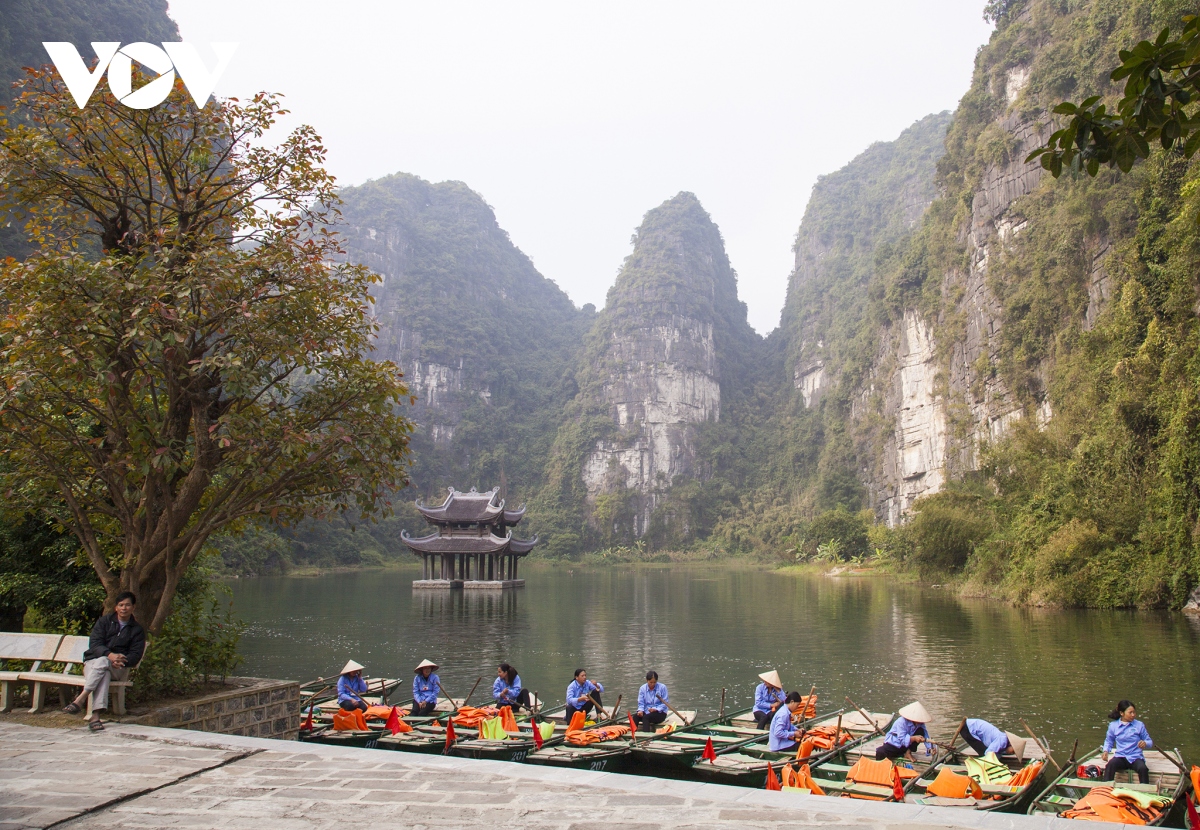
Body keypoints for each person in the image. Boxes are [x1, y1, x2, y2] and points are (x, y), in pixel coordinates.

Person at [61, 591, 146, 731]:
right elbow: (94, 644)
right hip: (93, 664)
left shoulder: (136, 630)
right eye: (121, 605)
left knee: (104, 663)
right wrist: (109, 655)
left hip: (118, 668)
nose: (124, 608)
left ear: (133, 607)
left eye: (127, 605)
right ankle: (95, 716)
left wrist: (119, 660)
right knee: (103, 666)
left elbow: (136, 654)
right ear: (116, 607)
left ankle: (80, 699)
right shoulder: (104, 622)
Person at [1102, 699, 1153, 784]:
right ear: (1122, 713)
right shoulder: (1113, 726)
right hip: (1121, 756)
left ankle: (1145, 790)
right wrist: (1106, 751)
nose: (1133, 715)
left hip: (1135, 757)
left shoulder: (1139, 725)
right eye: (1130, 713)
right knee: (1110, 765)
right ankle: (1105, 789)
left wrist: (1145, 743)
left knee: (1143, 768)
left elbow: (1149, 741)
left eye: (1134, 712)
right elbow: (1109, 740)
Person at [959, 718, 1026, 760]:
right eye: (1013, 751)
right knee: (984, 754)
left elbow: (998, 753)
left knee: (996, 756)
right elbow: (988, 753)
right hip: (968, 729)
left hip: (972, 726)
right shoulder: (1002, 740)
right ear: (1011, 744)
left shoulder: (1004, 742)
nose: (1012, 753)